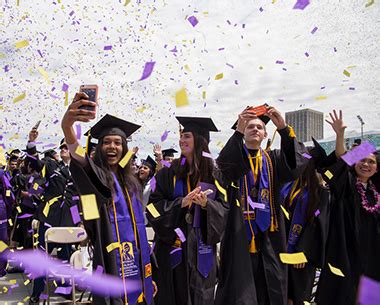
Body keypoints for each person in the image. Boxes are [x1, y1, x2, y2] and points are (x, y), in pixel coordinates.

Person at [61, 91, 155, 305]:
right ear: (100, 148)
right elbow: (82, 162)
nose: (112, 147)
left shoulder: (132, 183)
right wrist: (67, 127)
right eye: (106, 143)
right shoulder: (100, 176)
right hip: (111, 254)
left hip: (138, 257)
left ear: (124, 149)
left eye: (118, 143)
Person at [215, 106, 307, 305]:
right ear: (242, 132)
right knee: (239, 290)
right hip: (239, 233)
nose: (255, 129)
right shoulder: (235, 156)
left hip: (271, 236)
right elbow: (224, 168)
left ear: (266, 134)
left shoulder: (273, 159)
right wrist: (237, 132)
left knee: (271, 288)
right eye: (249, 127)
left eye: (259, 127)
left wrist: (283, 129)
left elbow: (296, 165)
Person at [147, 116, 229, 305]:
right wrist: (180, 203)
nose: (182, 140)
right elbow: (151, 207)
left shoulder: (215, 174)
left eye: (187, 136)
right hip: (173, 249)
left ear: (200, 140)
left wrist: (207, 205)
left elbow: (226, 210)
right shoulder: (167, 172)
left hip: (201, 251)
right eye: (181, 136)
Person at [315, 110, 380, 305]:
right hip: (346, 252)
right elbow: (342, 161)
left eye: (371, 162)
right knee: (343, 296)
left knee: (370, 298)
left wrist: (369, 148)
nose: (366, 164)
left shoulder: (377, 190)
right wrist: (341, 135)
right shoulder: (347, 184)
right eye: (362, 160)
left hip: (374, 256)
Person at [26, 133, 81, 304]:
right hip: (48, 219)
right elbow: (35, 162)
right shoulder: (51, 166)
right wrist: (31, 143)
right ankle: (36, 293)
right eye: (62, 147)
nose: (64, 149)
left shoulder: (81, 172)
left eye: (67, 146)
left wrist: (81, 222)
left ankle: (65, 289)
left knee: (66, 259)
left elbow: (81, 200)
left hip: (67, 223)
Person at [280, 138, 331, 305]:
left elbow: (316, 224)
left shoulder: (319, 193)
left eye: (302, 158)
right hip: (281, 248)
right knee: (282, 294)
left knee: (298, 297)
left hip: (301, 254)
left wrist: (302, 251)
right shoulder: (288, 185)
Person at [138, 156, 157, 223]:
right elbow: (121, 168)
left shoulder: (153, 183)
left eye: (145, 168)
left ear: (151, 171)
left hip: (149, 221)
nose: (141, 169)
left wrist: (161, 159)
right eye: (140, 167)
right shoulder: (135, 182)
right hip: (135, 219)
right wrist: (129, 154)